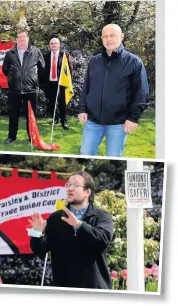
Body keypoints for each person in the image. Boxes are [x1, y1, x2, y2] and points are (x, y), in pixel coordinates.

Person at [28, 170, 113, 289]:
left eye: (75, 185)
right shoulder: (56, 218)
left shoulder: (102, 216)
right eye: (68, 185)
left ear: (87, 192)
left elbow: (103, 241)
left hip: (95, 290)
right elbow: (41, 250)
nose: (70, 188)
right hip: (63, 290)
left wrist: (79, 225)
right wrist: (37, 232)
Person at [79, 24, 150, 157]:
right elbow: (86, 87)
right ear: (101, 38)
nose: (108, 39)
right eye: (105, 36)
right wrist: (82, 109)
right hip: (92, 122)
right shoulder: (94, 61)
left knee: (114, 158)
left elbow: (142, 93)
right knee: (85, 154)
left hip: (118, 123)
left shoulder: (134, 62)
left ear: (121, 36)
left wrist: (133, 118)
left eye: (112, 35)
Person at [2, 29, 45, 144]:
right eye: (19, 37)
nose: (21, 39)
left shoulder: (36, 51)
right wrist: (13, 78)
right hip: (14, 90)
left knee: (31, 116)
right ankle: (12, 136)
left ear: (28, 38)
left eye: (23, 37)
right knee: (13, 114)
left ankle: (32, 137)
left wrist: (32, 78)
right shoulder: (10, 53)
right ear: (16, 39)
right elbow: (5, 69)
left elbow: (41, 68)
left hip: (31, 89)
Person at [41, 37, 73, 130]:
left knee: (62, 103)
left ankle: (64, 121)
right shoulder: (45, 56)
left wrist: (69, 81)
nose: (53, 45)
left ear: (59, 45)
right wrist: (43, 83)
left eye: (55, 43)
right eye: (51, 43)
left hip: (62, 83)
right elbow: (42, 70)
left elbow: (70, 69)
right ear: (49, 45)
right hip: (50, 83)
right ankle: (55, 118)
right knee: (51, 103)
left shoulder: (65, 55)